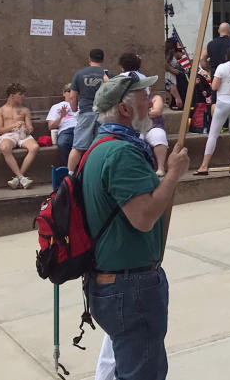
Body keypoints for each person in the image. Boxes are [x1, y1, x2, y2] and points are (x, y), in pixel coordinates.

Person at [83, 73, 190, 380]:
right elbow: (143, 217)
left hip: (118, 283)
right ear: (125, 109)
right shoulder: (121, 153)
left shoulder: (103, 145)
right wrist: (172, 174)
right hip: (130, 288)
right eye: (145, 96)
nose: (154, 102)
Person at [196, 46, 230, 175]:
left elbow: (214, 86)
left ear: (227, 56)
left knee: (213, 134)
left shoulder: (222, 67)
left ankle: (204, 165)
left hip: (223, 103)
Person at [118, 52, 169, 176]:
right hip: (132, 120)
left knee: (158, 137)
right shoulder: (140, 77)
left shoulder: (122, 78)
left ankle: (160, 168)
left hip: (143, 121)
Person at [67, 48, 114, 173]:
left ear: (89, 59)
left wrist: (74, 109)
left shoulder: (80, 74)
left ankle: (70, 175)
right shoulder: (109, 74)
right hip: (105, 115)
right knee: (102, 145)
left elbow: (72, 96)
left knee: (78, 146)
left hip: (86, 113)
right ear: (102, 59)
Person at [0, 83, 40, 189]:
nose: (23, 97)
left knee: (35, 147)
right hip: (8, 135)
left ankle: (18, 178)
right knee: (5, 148)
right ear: (12, 95)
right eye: (20, 94)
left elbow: (30, 127)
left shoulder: (25, 110)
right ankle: (21, 177)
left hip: (22, 134)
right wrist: (13, 126)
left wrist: (28, 129)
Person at [46, 84, 78, 166]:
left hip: (80, 129)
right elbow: (51, 126)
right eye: (69, 91)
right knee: (63, 143)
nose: (71, 93)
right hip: (66, 130)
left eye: (74, 91)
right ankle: (69, 171)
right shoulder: (56, 107)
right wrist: (61, 116)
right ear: (64, 93)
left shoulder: (81, 105)